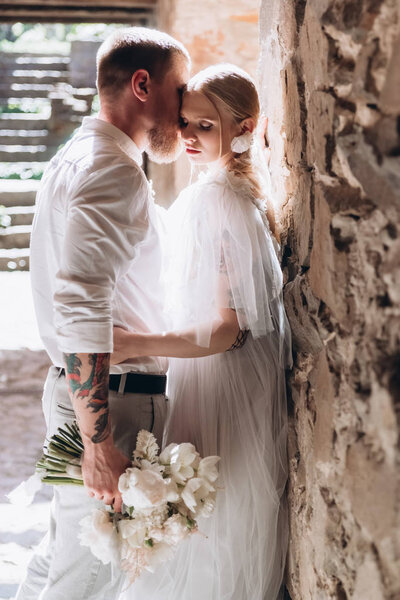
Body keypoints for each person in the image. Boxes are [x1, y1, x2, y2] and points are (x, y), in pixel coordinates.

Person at [16, 27, 190, 600]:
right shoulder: (111, 169)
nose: (186, 109)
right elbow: (83, 307)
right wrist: (98, 444)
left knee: (58, 562)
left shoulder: (79, 154)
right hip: (109, 402)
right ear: (143, 85)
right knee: (84, 584)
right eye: (179, 89)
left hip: (82, 394)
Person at [114, 64, 293, 600]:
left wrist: (132, 344)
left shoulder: (224, 201)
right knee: (197, 530)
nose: (189, 136)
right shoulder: (211, 193)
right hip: (204, 378)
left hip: (225, 385)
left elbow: (227, 330)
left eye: (205, 127)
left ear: (244, 128)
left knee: (213, 534)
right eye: (185, 122)